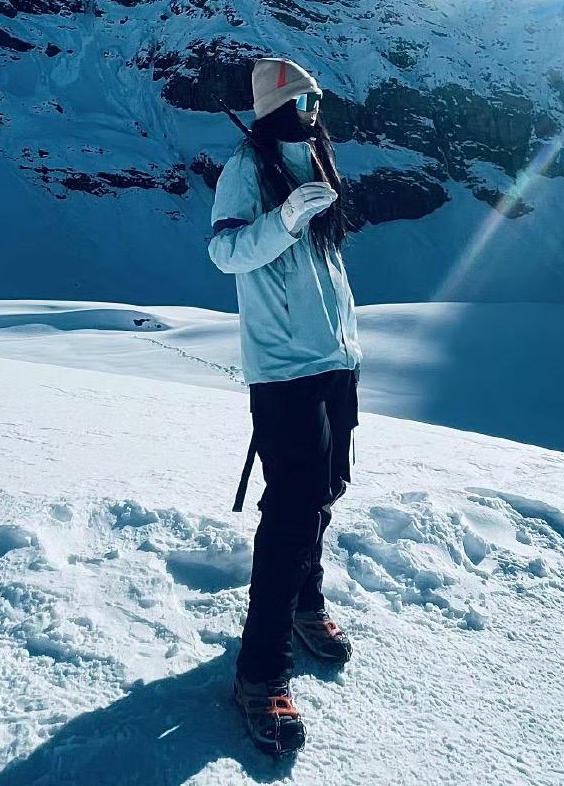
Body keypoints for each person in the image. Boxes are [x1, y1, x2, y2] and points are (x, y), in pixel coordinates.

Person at [207, 56, 363, 757]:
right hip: (284, 370)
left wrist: (349, 343)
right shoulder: (248, 167)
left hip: (334, 360)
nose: (313, 112)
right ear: (274, 108)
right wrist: (286, 219)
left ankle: (305, 602)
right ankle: (259, 672)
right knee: (294, 509)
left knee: (328, 488)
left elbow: (327, 268)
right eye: (302, 102)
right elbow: (225, 252)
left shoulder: (314, 154)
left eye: (317, 101)